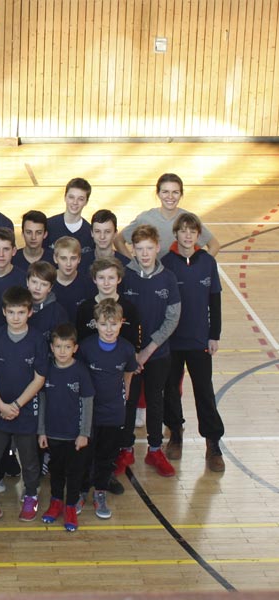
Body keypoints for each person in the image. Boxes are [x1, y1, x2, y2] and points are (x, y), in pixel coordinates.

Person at [161, 212, 225, 472]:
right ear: (176, 233)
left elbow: (215, 301)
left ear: (199, 235)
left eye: (192, 231)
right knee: (170, 389)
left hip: (199, 340)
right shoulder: (166, 262)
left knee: (204, 391)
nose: (187, 235)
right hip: (172, 341)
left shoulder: (207, 262)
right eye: (183, 230)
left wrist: (214, 335)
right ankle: (175, 433)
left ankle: (213, 443)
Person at [115, 225, 180, 478]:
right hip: (129, 355)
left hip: (157, 354)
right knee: (129, 401)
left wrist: (148, 350)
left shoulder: (168, 278)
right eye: (139, 249)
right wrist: (132, 353)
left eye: (149, 248)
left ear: (157, 248)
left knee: (155, 401)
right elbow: (117, 315)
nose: (144, 253)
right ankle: (125, 448)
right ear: (132, 249)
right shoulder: (125, 276)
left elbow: (172, 318)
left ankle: (154, 449)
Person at [0, 286, 48, 521]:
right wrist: (0, 404)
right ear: (4, 312)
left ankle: (31, 495)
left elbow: (39, 378)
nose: (16, 317)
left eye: (21, 312)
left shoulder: (37, 340)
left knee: (29, 460)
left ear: (30, 312)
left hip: (25, 411)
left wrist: (16, 405)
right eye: (11, 312)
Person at [77, 300, 137, 519]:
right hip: (90, 412)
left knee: (106, 455)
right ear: (96, 324)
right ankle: (81, 491)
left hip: (113, 412)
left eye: (113, 324)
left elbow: (128, 374)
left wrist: (125, 394)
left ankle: (100, 492)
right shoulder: (86, 347)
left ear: (121, 323)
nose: (109, 329)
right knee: (85, 455)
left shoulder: (127, 349)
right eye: (104, 324)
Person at [38, 324, 94, 532]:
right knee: (56, 471)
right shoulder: (47, 370)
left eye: (67, 347)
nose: (62, 351)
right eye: (58, 346)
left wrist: (84, 433)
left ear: (75, 348)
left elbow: (87, 403)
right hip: (53, 434)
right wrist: (42, 431)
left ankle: (70, 506)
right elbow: (42, 402)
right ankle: (55, 503)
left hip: (75, 436)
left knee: (75, 473)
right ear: (52, 348)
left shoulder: (81, 371)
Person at [116, 173, 220, 259]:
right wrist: (133, 265)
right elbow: (118, 240)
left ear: (181, 194)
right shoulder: (145, 218)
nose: (170, 197)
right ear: (158, 193)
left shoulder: (188, 220)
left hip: (179, 276)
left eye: (175, 192)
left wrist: (198, 266)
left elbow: (214, 245)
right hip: (153, 275)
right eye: (165, 192)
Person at [75, 257, 141, 348]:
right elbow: (80, 341)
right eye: (101, 278)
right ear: (94, 279)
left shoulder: (129, 309)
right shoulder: (84, 309)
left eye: (111, 278)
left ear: (119, 279)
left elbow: (134, 343)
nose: (106, 283)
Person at [45, 178, 94, 260]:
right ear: (65, 197)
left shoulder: (90, 233)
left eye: (80, 199)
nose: (75, 202)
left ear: (86, 202)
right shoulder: (48, 225)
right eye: (71, 197)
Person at [52, 236, 96, 323]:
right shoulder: (46, 283)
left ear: (79, 259)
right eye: (63, 258)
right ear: (55, 258)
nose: (68, 264)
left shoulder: (89, 284)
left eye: (73, 258)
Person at [25, 261, 69, 342]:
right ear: (27, 282)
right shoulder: (17, 306)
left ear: (50, 288)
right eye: (34, 282)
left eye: (44, 284)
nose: (38, 288)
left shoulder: (58, 312)